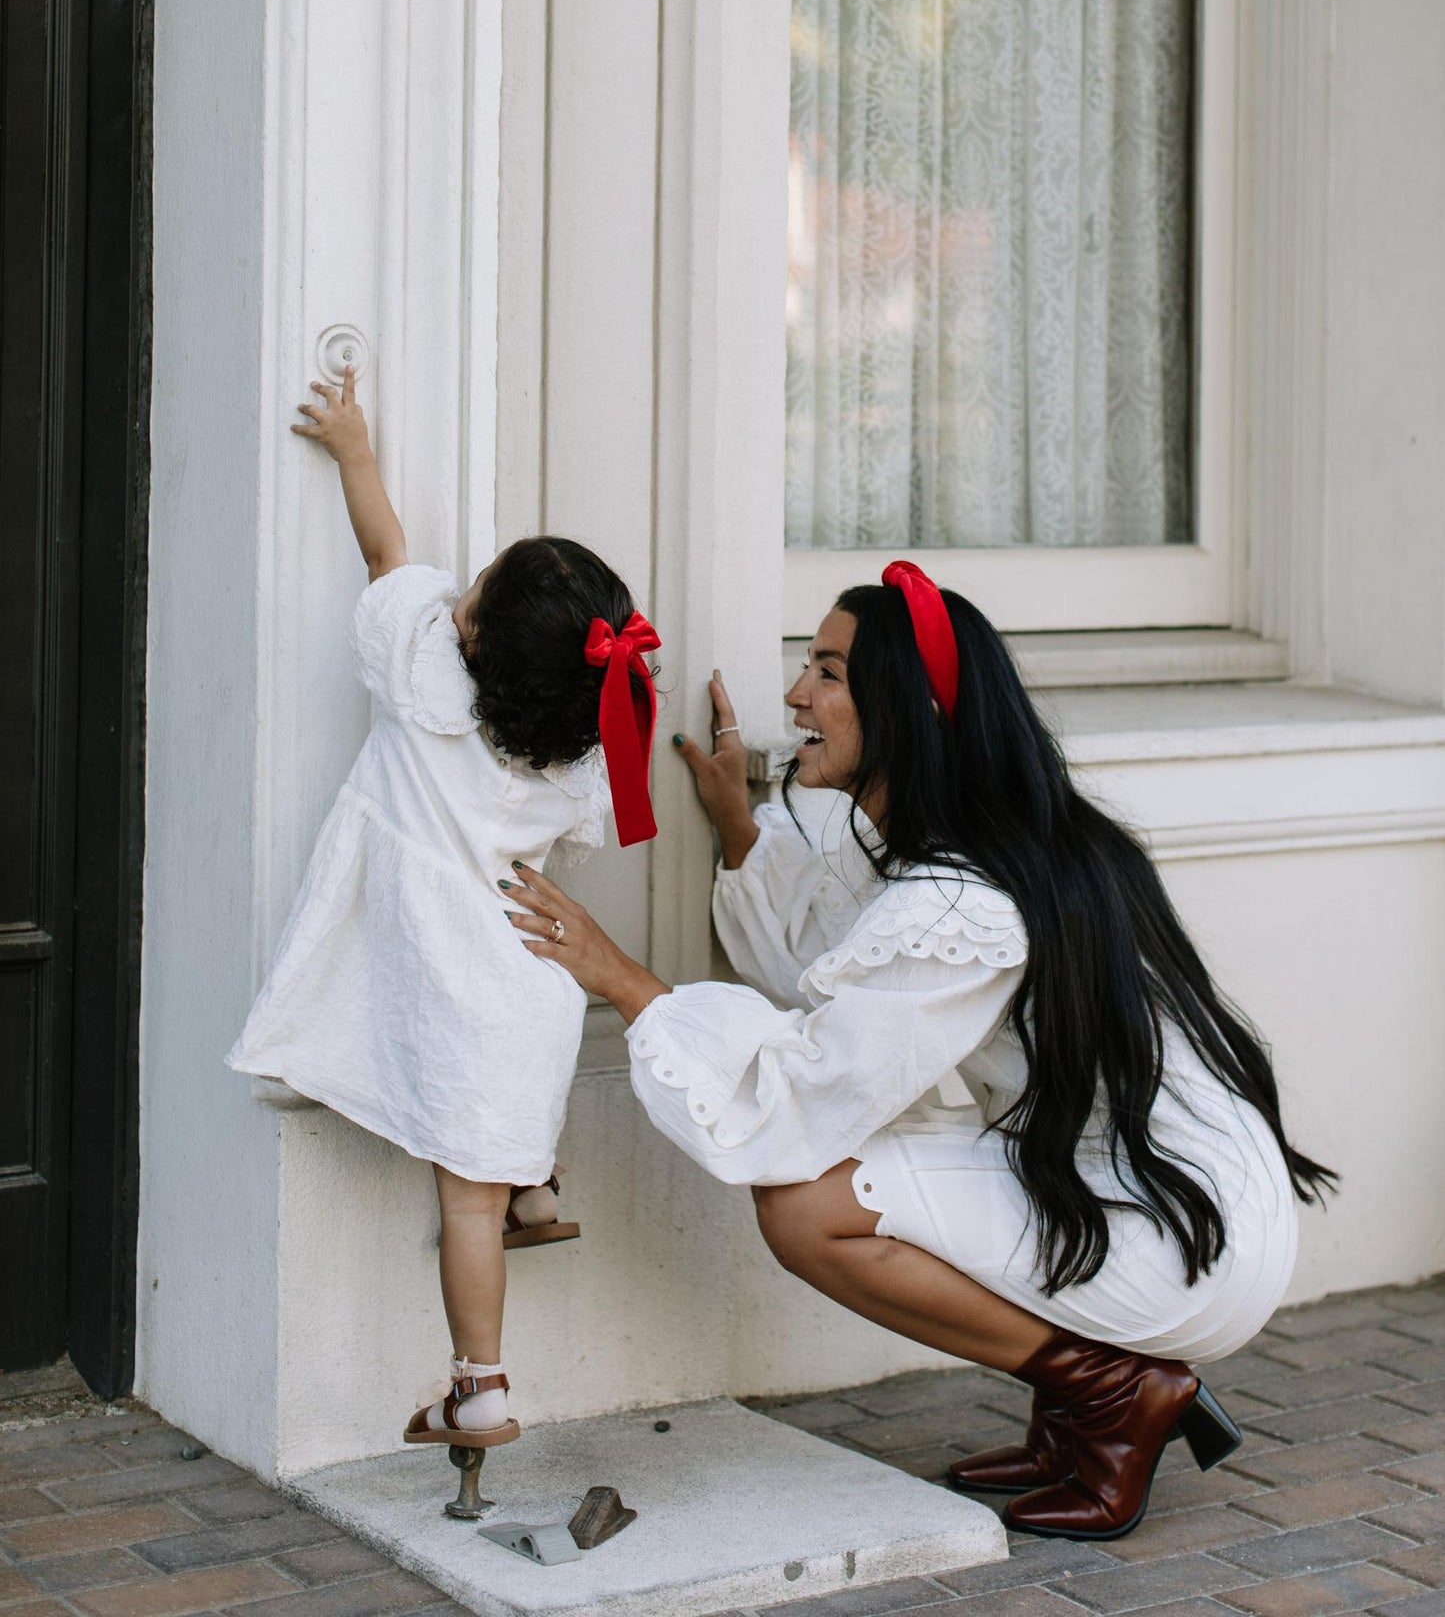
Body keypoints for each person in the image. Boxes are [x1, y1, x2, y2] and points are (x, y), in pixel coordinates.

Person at [498, 562, 1333, 1540]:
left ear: (902, 706)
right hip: (1167, 1186)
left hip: (1179, 1230)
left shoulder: (959, 897)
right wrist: (736, 825)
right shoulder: (998, 845)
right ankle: (1079, 1407)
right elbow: (832, 973)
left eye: (828, 672)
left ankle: (1108, 1393)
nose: (795, 694)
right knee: (848, 1185)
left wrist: (623, 978)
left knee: (808, 1207)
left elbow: (807, 1087)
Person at [228, 366, 660, 1452]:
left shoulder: (423, 681)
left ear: (471, 639)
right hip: (529, 982)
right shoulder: (586, 749)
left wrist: (352, 447)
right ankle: (533, 1188)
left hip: (456, 984)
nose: (452, 594)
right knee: (496, 1151)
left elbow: (384, 554)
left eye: (470, 590)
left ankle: (480, 1386)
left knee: (457, 1199)